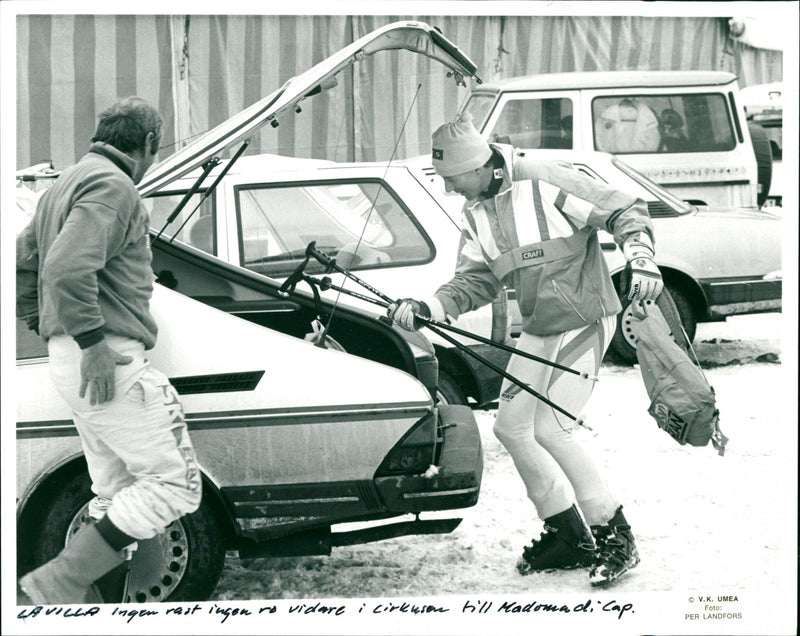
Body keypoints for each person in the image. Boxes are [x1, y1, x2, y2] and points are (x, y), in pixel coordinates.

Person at [388, 114, 663, 586]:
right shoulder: (476, 214)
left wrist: (641, 256)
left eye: (452, 178)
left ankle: (616, 534)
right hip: (539, 327)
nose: (450, 189)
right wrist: (428, 305)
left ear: (475, 166)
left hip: (585, 318)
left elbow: (622, 208)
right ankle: (567, 534)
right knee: (512, 428)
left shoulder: (543, 180)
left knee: (552, 428)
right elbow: (475, 280)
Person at [17, 96, 202, 604]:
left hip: (74, 356)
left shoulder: (63, 185)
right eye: (156, 152)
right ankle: (60, 584)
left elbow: (24, 264)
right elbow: (63, 268)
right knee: (172, 485)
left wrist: (50, 327)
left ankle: (96, 605)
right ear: (146, 143)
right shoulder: (114, 186)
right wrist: (92, 343)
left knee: (115, 491)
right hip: (106, 356)